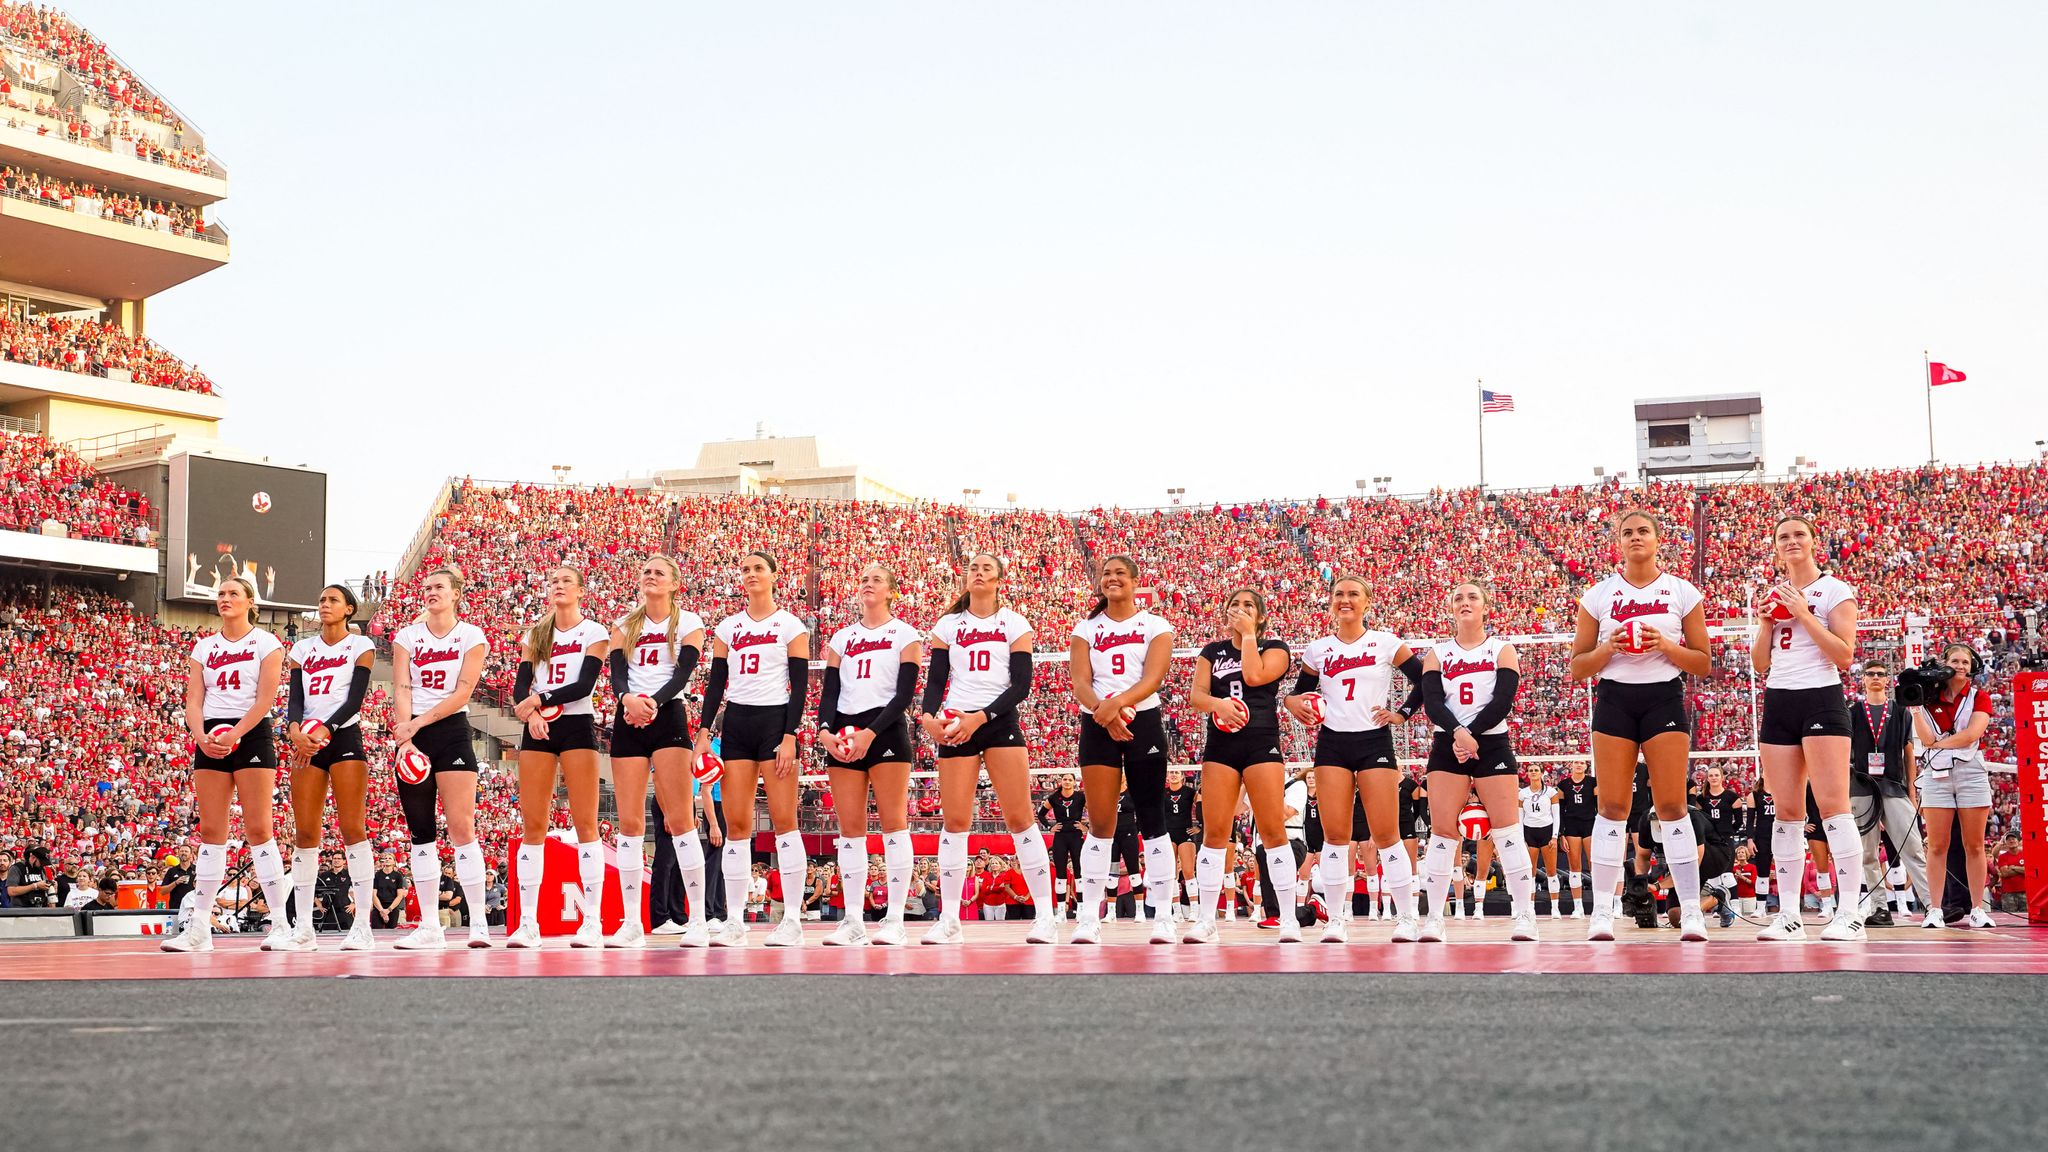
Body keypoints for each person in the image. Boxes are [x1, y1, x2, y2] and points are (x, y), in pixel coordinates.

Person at [1567, 510, 1714, 942]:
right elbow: (1578, 667)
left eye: (1642, 531)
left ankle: (1690, 910)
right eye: (1627, 532)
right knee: (1611, 807)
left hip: (1663, 697)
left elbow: (1702, 663)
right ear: (1618, 541)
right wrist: (1609, 647)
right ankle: (1602, 913)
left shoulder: (1682, 592)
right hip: (1614, 699)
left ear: (1657, 539)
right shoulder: (1598, 595)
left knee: (1671, 807)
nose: (1635, 538)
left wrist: (1665, 645)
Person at [920, 552, 1055, 943]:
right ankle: (949, 919)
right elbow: (936, 679)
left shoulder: (1014, 622)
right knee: (955, 822)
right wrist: (929, 717)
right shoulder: (947, 624)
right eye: (973, 569)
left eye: (986, 569)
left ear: (999, 580)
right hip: (957, 721)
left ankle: (1044, 916)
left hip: (997, 721)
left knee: (1020, 819)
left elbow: (1021, 685)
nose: (978, 574)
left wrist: (982, 716)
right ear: (966, 578)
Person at [1285, 576, 1426, 943]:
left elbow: (1426, 679)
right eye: (1339, 594)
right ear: (1331, 602)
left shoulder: (1386, 642)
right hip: (1332, 743)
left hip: (1373, 740)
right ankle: (1336, 919)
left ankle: (1407, 917)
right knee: (1335, 836)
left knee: (1386, 834)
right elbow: (1298, 694)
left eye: (1352, 594)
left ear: (1367, 602)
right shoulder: (1318, 649)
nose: (1344, 600)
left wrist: (1403, 713)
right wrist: (1292, 703)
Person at [1749, 515, 1863, 942]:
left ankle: (1850, 912)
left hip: (1821, 697)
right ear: (1776, 547)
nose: (1792, 541)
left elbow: (1844, 654)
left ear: (1814, 542)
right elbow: (1761, 663)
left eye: (1799, 534)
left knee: (1833, 807)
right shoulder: (1772, 595)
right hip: (1780, 699)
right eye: (1784, 537)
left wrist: (1802, 613)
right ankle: (1790, 916)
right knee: (1787, 813)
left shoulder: (1834, 590)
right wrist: (1766, 622)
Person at [163, 576, 291, 954]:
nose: (225, 598)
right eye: (220, 593)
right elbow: (194, 700)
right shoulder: (204, 646)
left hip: (249, 735)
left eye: (234, 593)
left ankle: (281, 923)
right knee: (212, 831)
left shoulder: (267, 643)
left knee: (258, 827)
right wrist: (199, 735)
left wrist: (235, 733)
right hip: (210, 739)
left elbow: (264, 700)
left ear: (251, 601)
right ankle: (199, 927)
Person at [697, 552, 811, 947]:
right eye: (744, 569)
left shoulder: (791, 625)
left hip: (776, 722)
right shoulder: (728, 627)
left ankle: (793, 919)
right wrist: (702, 731)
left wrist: (791, 735)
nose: (750, 574)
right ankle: (733, 920)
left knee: (784, 823)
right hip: (738, 723)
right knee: (738, 827)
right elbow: (716, 686)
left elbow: (800, 686)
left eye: (758, 568)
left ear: (774, 575)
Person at [1417, 581, 1537, 942]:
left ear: (1486, 606)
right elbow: (1433, 703)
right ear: (1451, 608)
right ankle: (1434, 918)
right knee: (1441, 834)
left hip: (1492, 742)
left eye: (1472, 597)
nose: (1464, 602)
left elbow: (1503, 701)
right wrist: (1457, 733)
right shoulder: (1437, 653)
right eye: (1458, 598)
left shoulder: (1502, 649)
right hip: (1447, 743)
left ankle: (1525, 915)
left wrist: (1470, 734)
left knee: (1508, 831)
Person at [1066, 554, 1176, 944]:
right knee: (1099, 823)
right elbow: (1080, 681)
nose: (1112, 579)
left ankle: (1163, 913)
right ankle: (1089, 917)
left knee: (1152, 818)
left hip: (1141, 720)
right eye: (1106, 574)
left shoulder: (1155, 624)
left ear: (1133, 581)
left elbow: (1154, 676)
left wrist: (1118, 704)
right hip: (1097, 723)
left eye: (1119, 574)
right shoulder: (1085, 627)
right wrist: (1104, 711)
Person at [817, 563, 922, 946]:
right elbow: (829, 692)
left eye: (877, 580)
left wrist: (871, 733)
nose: (868, 584)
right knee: (850, 831)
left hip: (886, 728)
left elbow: (905, 694)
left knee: (894, 823)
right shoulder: (841, 638)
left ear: (892, 590)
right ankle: (854, 921)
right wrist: (825, 732)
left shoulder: (905, 634)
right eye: (863, 579)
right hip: (844, 731)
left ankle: (895, 918)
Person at [507, 567, 612, 949]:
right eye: (553, 582)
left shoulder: (593, 631)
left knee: (586, 822)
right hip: (537, 726)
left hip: (576, 722)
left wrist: (540, 700)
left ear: (581, 590)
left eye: (567, 581)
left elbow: (585, 684)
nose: (559, 586)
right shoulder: (535, 634)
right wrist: (531, 712)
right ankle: (528, 922)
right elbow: (521, 683)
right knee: (533, 823)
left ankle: (593, 921)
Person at [388, 565, 492, 950]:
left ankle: (479, 922)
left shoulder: (470, 635)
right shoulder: (406, 636)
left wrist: (417, 724)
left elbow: (463, 692)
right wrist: (405, 733)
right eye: (427, 586)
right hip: (412, 737)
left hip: (450, 731)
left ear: (456, 594)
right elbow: (401, 686)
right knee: (421, 833)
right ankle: (430, 925)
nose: (431, 592)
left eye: (439, 587)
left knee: (462, 827)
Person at [605, 555, 705, 947]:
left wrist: (652, 703)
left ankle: (697, 918)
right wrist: (627, 699)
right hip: (628, 714)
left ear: (674, 583)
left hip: (667, 715)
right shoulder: (625, 624)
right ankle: (632, 922)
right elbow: (616, 673)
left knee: (679, 819)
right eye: (646, 571)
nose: (650, 576)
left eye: (658, 572)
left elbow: (683, 672)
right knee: (629, 823)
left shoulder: (688, 622)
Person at [1185, 588, 1294, 943]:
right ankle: (1206, 920)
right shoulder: (1211, 652)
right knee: (1215, 832)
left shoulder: (1275, 647)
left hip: (1261, 740)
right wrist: (1218, 705)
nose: (1241, 609)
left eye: (1249, 606)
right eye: (1235, 605)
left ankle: (1288, 917)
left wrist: (1248, 635)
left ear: (1261, 616)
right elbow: (1196, 695)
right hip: (1222, 744)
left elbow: (1254, 677)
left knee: (1273, 830)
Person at [283, 584, 377, 951]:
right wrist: (294, 730)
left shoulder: (361, 645)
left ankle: (363, 926)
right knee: (306, 834)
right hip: (306, 740)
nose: (324, 605)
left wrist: (326, 728)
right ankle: (303, 928)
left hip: (342, 736)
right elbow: (296, 698)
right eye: (321, 599)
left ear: (349, 609)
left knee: (353, 826)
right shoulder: (301, 649)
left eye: (333, 600)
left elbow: (355, 699)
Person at [1909, 644, 1996, 929]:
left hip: (1970, 770)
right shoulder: (1928, 697)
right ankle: (1934, 908)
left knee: (1974, 845)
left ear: (1973, 666)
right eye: (1955, 660)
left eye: (1965, 661)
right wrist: (1917, 710)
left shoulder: (1979, 696)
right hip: (1937, 773)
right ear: (1944, 664)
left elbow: (1972, 734)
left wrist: (1937, 744)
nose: (1960, 666)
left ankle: (1976, 908)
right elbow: (1923, 736)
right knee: (1937, 845)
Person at [1847, 661, 1926, 927]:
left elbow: (1908, 753)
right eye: (1871, 674)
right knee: (1868, 853)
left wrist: (1913, 793)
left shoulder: (1901, 712)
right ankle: (1880, 907)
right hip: (1862, 787)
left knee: (1912, 847)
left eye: (1881, 674)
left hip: (1894, 785)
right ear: (1864, 680)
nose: (1876, 678)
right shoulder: (1853, 712)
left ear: (1888, 680)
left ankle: (1931, 904)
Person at [1040, 773, 1087, 920]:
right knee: (1060, 873)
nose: (1067, 782)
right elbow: (1041, 814)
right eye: (1065, 779)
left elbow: (1094, 810)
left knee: (1079, 873)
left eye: (1070, 780)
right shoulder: (1054, 797)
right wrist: (1049, 827)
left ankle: (1081, 910)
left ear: (1074, 782)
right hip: (1060, 837)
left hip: (1076, 836)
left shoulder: (1081, 797)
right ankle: (1060, 912)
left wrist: (1086, 826)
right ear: (1061, 781)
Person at [1518, 770, 1561, 918]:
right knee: (1530, 872)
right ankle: (1530, 908)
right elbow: (1520, 817)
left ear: (1541, 773)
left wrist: (1555, 836)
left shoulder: (1550, 792)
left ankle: (1555, 908)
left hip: (1547, 831)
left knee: (1551, 871)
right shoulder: (1522, 793)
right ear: (1527, 775)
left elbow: (1556, 815)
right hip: (1529, 832)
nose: (1533, 772)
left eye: (1536, 770)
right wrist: (1521, 838)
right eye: (1531, 771)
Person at [1555, 763, 1595, 918]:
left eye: (1581, 763)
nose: (1579, 765)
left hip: (1590, 825)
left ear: (1586, 766)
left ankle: (1599, 905)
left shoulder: (1593, 782)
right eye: (1576, 763)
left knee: (1594, 864)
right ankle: (1578, 907)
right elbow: (1560, 811)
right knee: (1574, 866)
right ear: (1570, 766)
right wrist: (1561, 834)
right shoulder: (1563, 785)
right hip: (1571, 826)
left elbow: (1599, 805)